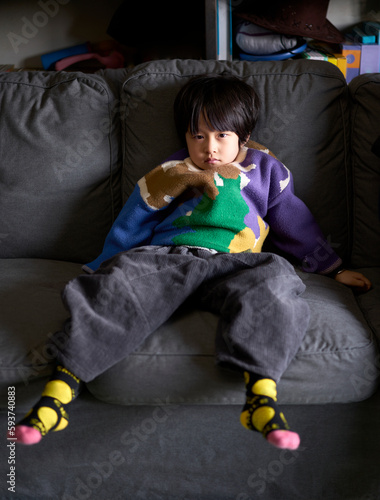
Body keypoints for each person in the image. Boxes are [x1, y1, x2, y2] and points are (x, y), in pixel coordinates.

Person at [12, 74, 371, 450]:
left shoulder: (268, 172)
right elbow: (132, 222)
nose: (209, 149)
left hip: (240, 262)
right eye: (197, 136)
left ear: (243, 137)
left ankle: (261, 396)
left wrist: (333, 268)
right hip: (169, 257)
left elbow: (296, 225)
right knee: (119, 286)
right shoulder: (171, 172)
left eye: (221, 136)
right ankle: (59, 393)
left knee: (278, 284)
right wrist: (104, 264)